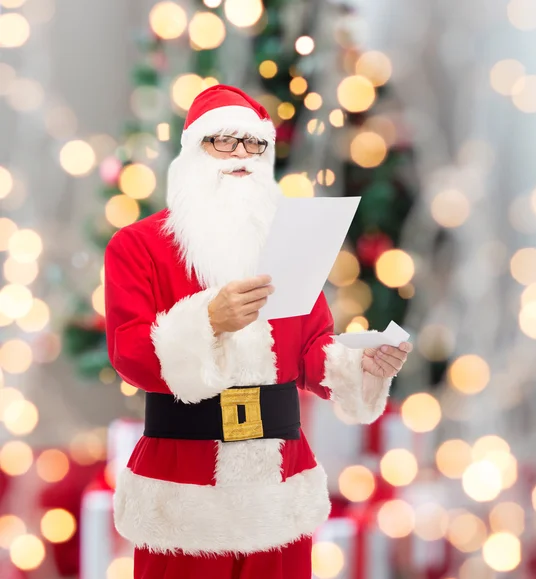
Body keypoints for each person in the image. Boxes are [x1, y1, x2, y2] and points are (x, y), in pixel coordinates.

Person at [104, 84, 413, 579]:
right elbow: (130, 354)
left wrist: (361, 364)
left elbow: (312, 352)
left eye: (254, 144)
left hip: (279, 488)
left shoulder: (290, 244)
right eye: (223, 141)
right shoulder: (138, 246)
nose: (240, 155)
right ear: (192, 153)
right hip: (185, 490)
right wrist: (207, 321)